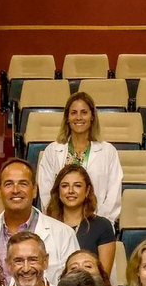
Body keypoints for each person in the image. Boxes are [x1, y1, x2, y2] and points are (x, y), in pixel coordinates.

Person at [0, 159, 77, 286]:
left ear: (35, 190)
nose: (15, 190)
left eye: (23, 184)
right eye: (9, 184)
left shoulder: (63, 234)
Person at [36, 91, 124, 222]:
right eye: (73, 113)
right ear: (67, 118)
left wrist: (98, 223)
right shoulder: (52, 151)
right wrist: (58, 221)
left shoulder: (108, 151)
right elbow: (46, 192)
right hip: (60, 223)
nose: (79, 117)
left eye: (84, 112)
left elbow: (113, 194)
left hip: (97, 224)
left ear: (92, 116)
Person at [44, 163, 116, 283]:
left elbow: (103, 278)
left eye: (77, 186)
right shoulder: (45, 225)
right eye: (65, 186)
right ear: (58, 191)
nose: (71, 191)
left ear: (87, 190)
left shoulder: (102, 226)